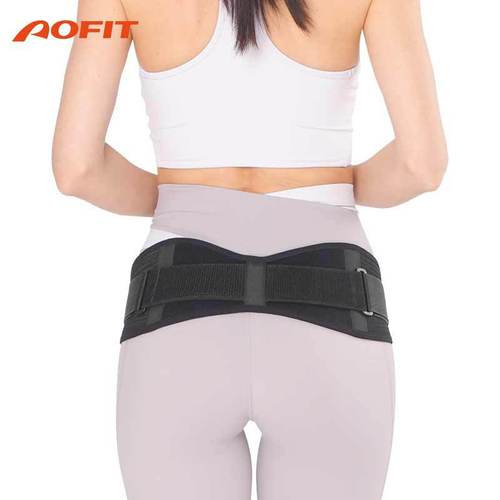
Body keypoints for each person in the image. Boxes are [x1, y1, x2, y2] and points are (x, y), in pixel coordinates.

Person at [52, 0, 447, 499]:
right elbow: (420, 166)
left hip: (177, 304)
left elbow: (78, 168)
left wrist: (183, 198)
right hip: (333, 304)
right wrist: (331, 187)